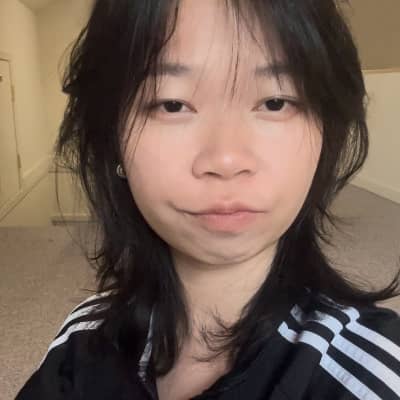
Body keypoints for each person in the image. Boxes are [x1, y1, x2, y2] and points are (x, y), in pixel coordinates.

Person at [16, 0, 400, 399]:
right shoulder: (81, 340)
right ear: (113, 139)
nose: (226, 160)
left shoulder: (375, 376)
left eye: (275, 102)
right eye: (172, 104)